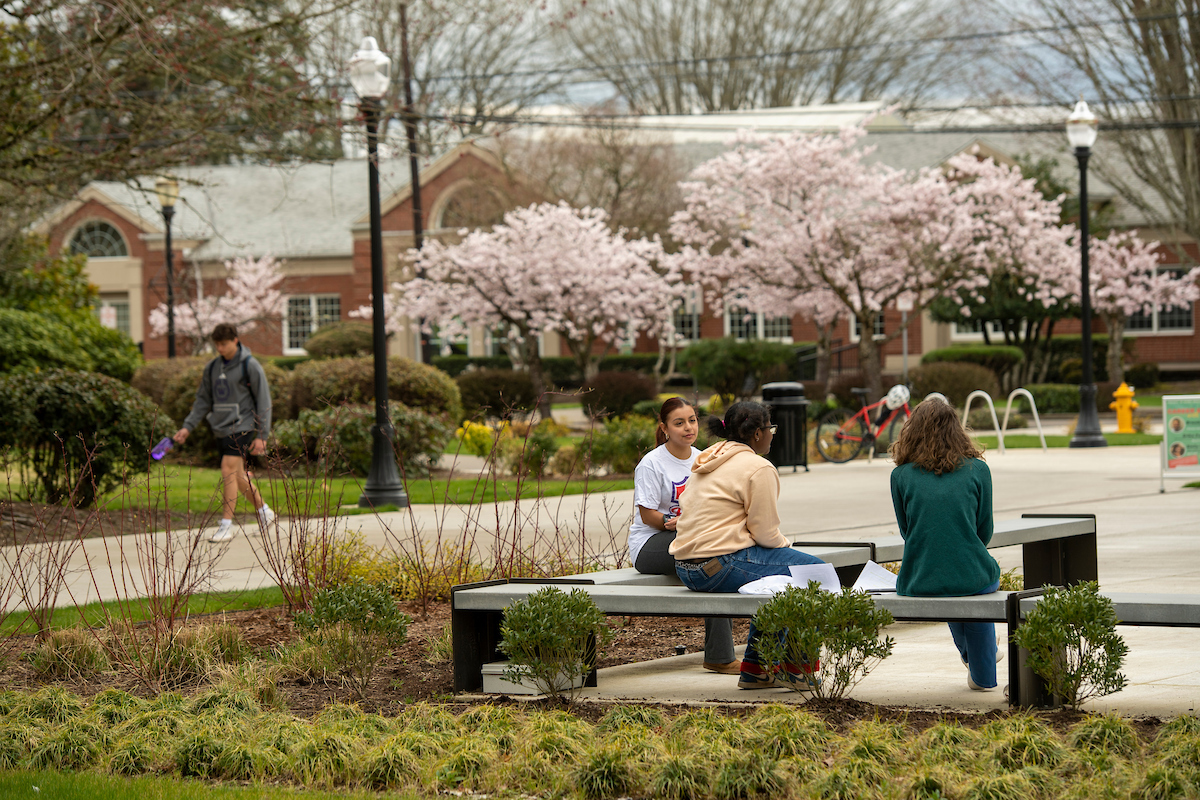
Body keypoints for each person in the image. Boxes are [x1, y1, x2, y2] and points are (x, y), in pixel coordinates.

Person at [670, 400, 825, 690]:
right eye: (771, 429)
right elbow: (766, 534)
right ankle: (798, 669)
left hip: (686, 566)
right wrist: (784, 547)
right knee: (813, 572)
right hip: (718, 565)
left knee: (775, 579)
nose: (771, 435)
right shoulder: (758, 467)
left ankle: (757, 668)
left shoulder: (708, 458)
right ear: (757, 434)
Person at [889, 397, 1002, 691]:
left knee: (947, 575)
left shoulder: (900, 476)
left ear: (911, 432)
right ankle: (983, 669)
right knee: (971, 580)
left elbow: (907, 531)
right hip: (972, 575)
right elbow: (984, 531)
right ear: (957, 429)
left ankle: (980, 657)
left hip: (919, 579)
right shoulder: (978, 470)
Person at [629, 398, 738, 674]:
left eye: (692, 420)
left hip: (692, 538)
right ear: (664, 428)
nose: (688, 427)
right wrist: (672, 522)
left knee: (721, 558)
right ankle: (720, 657)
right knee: (711, 558)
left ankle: (722, 655)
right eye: (679, 423)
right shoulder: (651, 464)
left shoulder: (703, 459)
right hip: (650, 545)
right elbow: (648, 516)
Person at [173, 323, 274, 543]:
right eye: (217, 344)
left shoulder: (250, 365)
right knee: (237, 476)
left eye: (224, 344)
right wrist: (187, 426)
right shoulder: (212, 368)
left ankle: (226, 525)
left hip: (243, 425)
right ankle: (265, 512)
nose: (220, 348)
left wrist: (262, 435)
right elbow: (203, 400)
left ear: (236, 340)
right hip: (221, 426)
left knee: (227, 469)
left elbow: (263, 400)